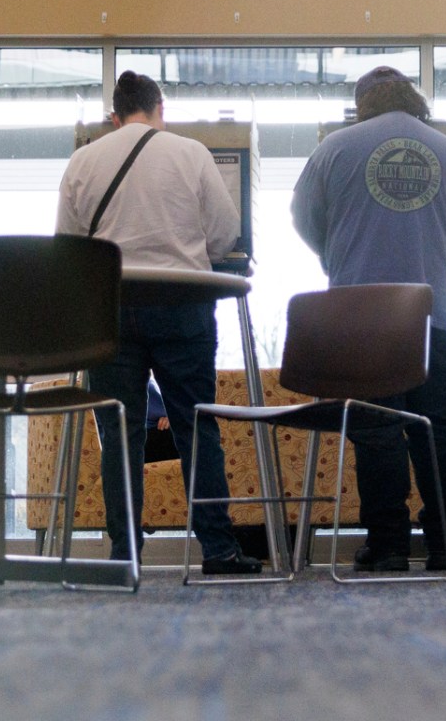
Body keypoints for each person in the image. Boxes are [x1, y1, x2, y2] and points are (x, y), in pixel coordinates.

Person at [56, 71, 260, 577]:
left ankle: (125, 554)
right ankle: (217, 549)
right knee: (197, 425)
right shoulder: (190, 153)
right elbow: (224, 234)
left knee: (120, 434)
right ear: (159, 107)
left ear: (114, 115)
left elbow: (68, 247)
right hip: (182, 301)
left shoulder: (83, 160)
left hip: (112, 307)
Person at [293, 67, 446, 572]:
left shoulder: (334, 149)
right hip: (431, 316)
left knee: (377, 431)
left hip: (359, 319)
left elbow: (305, 220)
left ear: (363, 103)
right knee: (438, 431)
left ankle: (387, 545)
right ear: (415, 100)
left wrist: (338, 254)